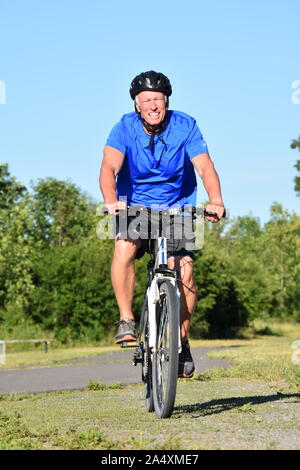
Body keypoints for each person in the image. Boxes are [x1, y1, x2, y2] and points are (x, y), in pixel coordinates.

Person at [99, 70, 225, 378]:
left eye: (158, 99)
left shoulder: (186, 125)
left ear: (166, 101)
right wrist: (111, 199)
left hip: (177, 207)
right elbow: (108, 167)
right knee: (125, 246)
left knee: (184, 268)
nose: (153, 105)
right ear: (137, 105)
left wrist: (216, 199)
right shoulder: (124, 128)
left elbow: (204, 165)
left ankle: (180, 341)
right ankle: (126, 319)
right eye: (146, 100)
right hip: (136, 205)